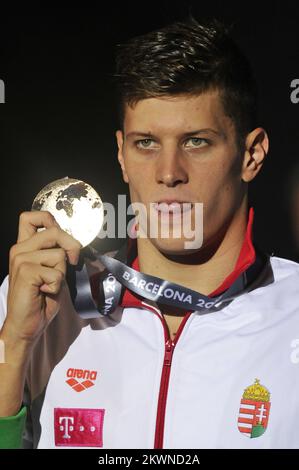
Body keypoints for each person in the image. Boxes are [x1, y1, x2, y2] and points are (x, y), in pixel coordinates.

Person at [1, 15, 299, 450]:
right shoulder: (40, 307)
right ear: (121, 154)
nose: (168, 173)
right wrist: (14, 344)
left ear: (251, 155)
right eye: (147, 143)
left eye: (196, 141)